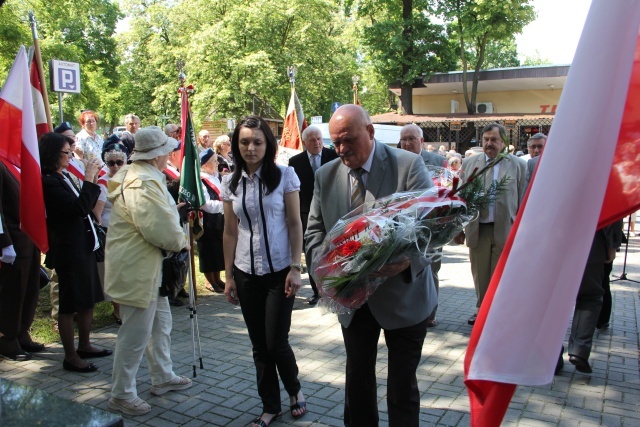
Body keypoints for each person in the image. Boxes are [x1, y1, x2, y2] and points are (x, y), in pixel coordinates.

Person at [305, 105, 437, 426]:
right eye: (335, 143)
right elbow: (314, 232)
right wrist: (326, 271)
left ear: (371, 132)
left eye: (348, 140)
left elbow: (431, 226)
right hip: (353, 300)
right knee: (358, 385)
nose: (341, 150)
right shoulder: (326, 174)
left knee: (402, 389)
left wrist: (405, 261)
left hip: (404, 296)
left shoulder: (407, 165)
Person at [222, 116, 307, 427]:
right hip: (246, 272)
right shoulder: (230, 182)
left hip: (279, 271)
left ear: (268, 145)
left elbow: (295, 223)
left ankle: (295, 390)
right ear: (237, 145)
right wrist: (229, 275)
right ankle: (269, 406)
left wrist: (296, 268)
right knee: (259, 345)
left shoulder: (285, 176)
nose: (251, 148)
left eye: (257, 142)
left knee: (275, 342)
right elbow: (230, 232)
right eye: (244, 142)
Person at [105, 126, 192, 416]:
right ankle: (121, 393)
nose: (170, 153)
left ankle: (162, 376)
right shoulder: (141, 182)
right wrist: (181, 239)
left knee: (160, 326)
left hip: (148, 268)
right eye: (167, 149)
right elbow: (158, 228)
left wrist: (175, 214)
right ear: (156, 155)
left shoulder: (144, 177)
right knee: (135, 334)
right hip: (138, 269)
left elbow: (159, 217)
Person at [40, 132, 111, 373]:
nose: (70, 155)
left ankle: (85, 345)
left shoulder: (64, 175)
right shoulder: (48, 180)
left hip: (85, 246)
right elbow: (79, 208)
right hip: (70, 250)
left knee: (87, 299)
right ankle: (70, 356)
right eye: (65, 152)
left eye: (71, 151)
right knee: (70, 304)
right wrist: (91, 178)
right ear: (53, 154)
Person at [456, 123, 526, 325]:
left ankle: (497, 311)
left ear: (503, 142)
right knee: (480, 272)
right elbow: (461, 197)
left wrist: (521, 231)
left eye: (494, 140)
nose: (489, 143)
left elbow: (522, 199)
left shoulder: (518, 165)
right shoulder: (470, 163)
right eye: (486, 139)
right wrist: (457, 229)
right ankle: (481, 309)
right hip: (478, 228)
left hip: (504, 227)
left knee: (500, 273)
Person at [398, 123, 444, 328]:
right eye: (404, 139)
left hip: (431, 227)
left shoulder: (437, 161)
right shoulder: (395, 161)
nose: (407, 143)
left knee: (431, 269)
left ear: (421, 141)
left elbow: (445, 193)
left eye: (411, 139)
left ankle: (430, 312)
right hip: (402, 228)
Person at [288, 125, 339, 305]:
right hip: (306, 213)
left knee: (333, 250)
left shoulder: (333, 157)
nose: (317, 143)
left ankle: (335, 287)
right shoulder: (295, 162)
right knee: (312, 251)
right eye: (312, 140)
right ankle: (317, 291)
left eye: (319, 139)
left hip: (332, 211)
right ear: (304, 143)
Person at [0, 161, 43, 361]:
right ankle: (7, 339)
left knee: (30, 287)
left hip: (30, 236)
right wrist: (4, 242)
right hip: (14, 239)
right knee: (14, 291)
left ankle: (22, 331)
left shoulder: (21, 161)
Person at [92, 135, 129, 325]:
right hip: (110, 233)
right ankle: (117, 310)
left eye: (119, 162)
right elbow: (97, 213)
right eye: (111, 163)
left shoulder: (128, 179)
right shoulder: (102, 183)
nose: (115, 166)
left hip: (128, 232)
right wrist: (102, 236)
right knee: (114, 273)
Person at [198, 148, 226, 293]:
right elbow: (205, 204)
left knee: (218, 249)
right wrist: (225, 206)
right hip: (207, 220)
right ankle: (210, 280)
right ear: (204, 165)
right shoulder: (201, 180)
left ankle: (218, 278)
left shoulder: (218, 176)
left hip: (220, 218)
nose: (217, 163)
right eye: (214, 161)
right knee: (209, 250)